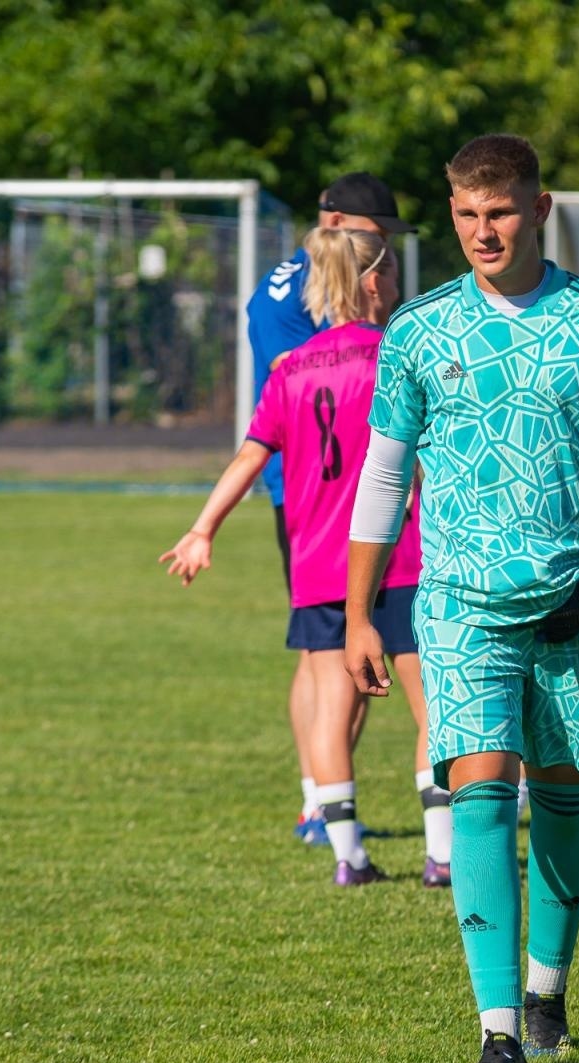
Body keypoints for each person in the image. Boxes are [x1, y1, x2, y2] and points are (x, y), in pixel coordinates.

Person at [344, 134, 579, 1063]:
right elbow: (384, 475)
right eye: (465, 215)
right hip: (460, 603)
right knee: (480, 794)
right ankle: (497, 1031)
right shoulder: (419, 329)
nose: (481, 232)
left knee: (566, 799)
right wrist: (359, 613)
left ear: (538, 210)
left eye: (498, 212)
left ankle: (546, 990)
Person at [163, 226, 448, 887]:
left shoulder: (290, 369)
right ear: (374, 282)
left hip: (319, 564)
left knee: (329, 710)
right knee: (433, 707)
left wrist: (203, 528)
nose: (398, 286)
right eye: (393, 274)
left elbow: (250, 456)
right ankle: (442, 856)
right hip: (400, 556)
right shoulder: (397, 356)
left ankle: (349, 857)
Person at [246, 173, 416, 847]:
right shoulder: (295, 292)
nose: (384, 252)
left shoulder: (312, 281)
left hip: (346, 487)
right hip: (318, 492)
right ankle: (319, 801)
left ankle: (326, 802)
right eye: (377, 236)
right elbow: (296, 376)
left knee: (335, 648)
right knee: (330, 651)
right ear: (338, 223)